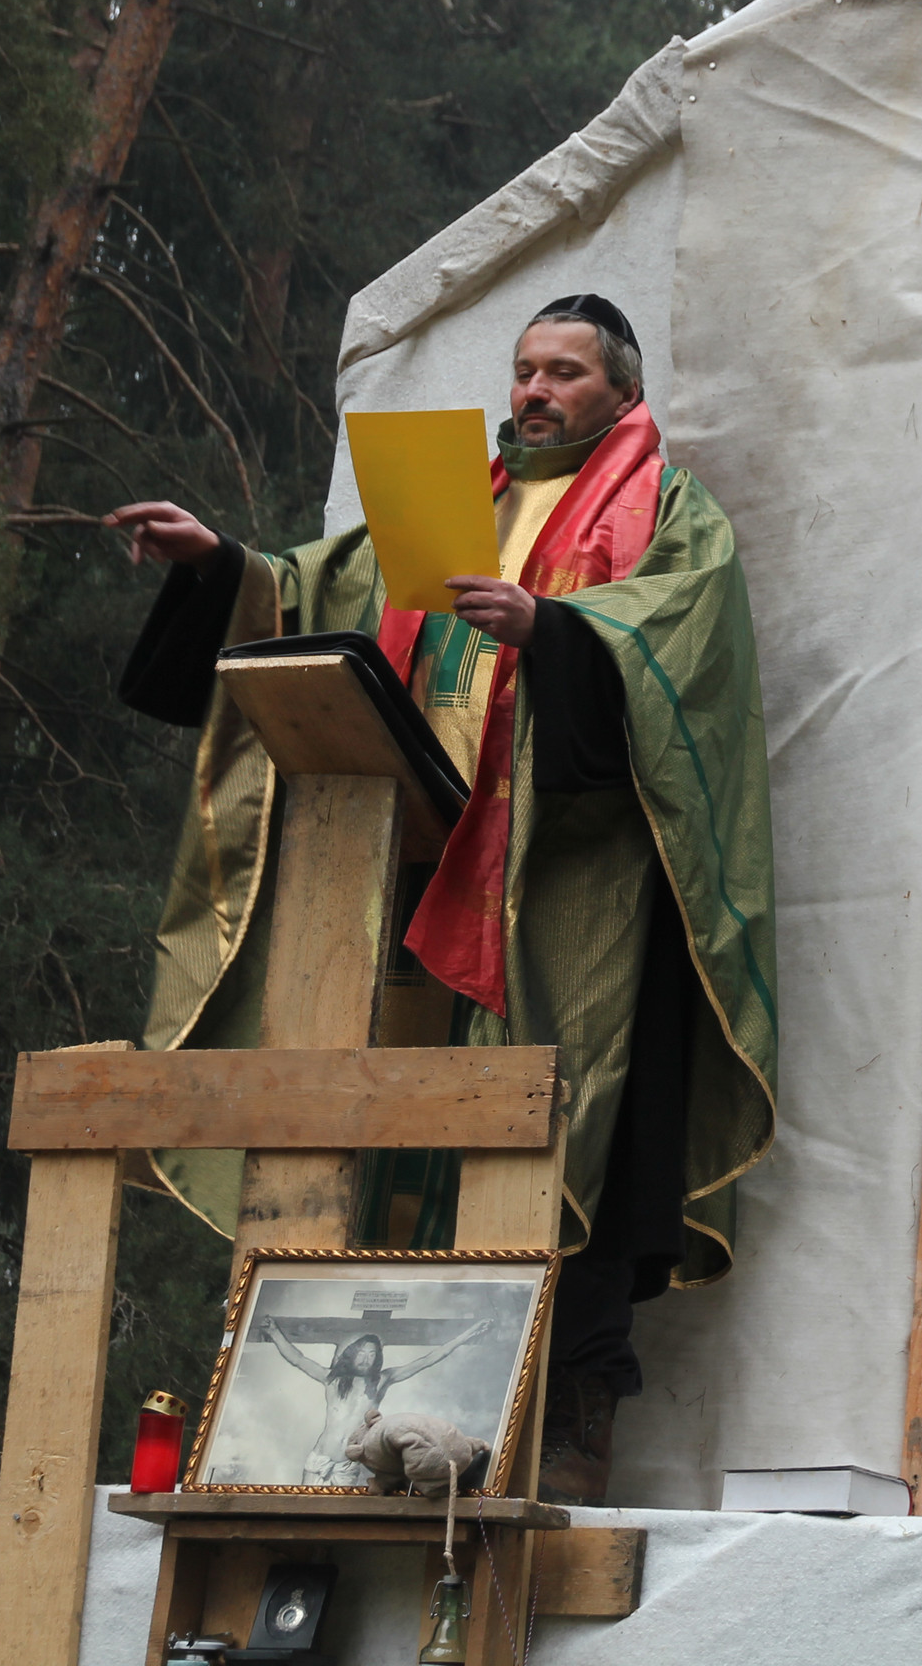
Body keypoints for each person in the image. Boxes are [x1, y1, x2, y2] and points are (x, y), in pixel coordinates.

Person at [108, 294, 778, 1504]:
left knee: (581, 1120)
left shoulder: (668, 510)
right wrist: (221, 564)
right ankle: (343, 1423)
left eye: (564, 372)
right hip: (406, 867)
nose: (535, 390)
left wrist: (556, 631)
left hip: (566, 878)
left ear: (622, 393)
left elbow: (685, 649)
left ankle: (569, 1403)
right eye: (524, 369)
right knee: (383, 1133)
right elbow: (318, 588)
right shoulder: (449, 501)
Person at [263, 1319, 494, 1485]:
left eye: (372, 1354)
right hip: (319, 1459)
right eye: (361, 1353)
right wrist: (274, 1331)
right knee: (304, 1511)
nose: (366, 1358)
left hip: (347, 1464)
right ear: (352, 1354)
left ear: (378, 1358)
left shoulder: (382, 1380)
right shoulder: (332, 1379)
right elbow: (298, 1359)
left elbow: (427, 1360)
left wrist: (466, 1336)